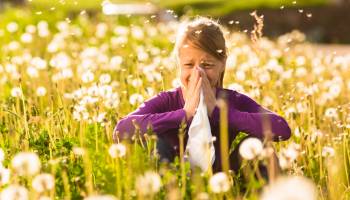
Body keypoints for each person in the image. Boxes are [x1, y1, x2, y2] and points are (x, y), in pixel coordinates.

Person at [113, 17, 291, 173]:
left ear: (222, 64)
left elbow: (282, 128)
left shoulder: (231, 100)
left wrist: (220, 113)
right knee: (154, 142)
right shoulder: (167, 100)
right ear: (179, 64)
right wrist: (184, 115)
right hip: (173, 178)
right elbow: (121, 130)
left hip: (223, 178)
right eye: (189, 65)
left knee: (263, 147)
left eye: (207, 65)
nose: (198, 73)